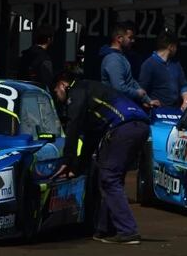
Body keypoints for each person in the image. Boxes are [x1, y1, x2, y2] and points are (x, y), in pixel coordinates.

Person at [52, 73, 149, 244]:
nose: (58, 98)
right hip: (140, 126)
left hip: (123, 128)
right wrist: (78, 167)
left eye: (56, 92)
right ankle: (105, 229)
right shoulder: (93, 91)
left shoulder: (77, 91)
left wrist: (67, 160)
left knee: (109, 178)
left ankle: (128, 231)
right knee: (111, 178)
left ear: (62, 85)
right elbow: (91, 136)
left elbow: (73, 126)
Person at [100, 22, 159, 109]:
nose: (133, 41)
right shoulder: (113, 59)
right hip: (115, 109)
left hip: (123, 106)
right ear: (119, 38)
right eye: (130, 38)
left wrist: (148, 100)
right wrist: (137, 93)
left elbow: (130, 81)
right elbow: (119, 88)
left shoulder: (121, 57)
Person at [139, 31, 187, 110]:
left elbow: (184, 86)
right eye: (176, 46)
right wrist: (148, 102)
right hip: (157, 112)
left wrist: (186, 102)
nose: (176, 49)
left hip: (176, 110)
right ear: (171, 46)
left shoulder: (176, 64)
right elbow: (141, 90)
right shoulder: (149, 64)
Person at [18, 25, 55, 90]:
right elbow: (47, 82)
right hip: (37, 93)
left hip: (23, 90)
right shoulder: (44, 58)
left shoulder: (25, 54)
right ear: (49, 39)